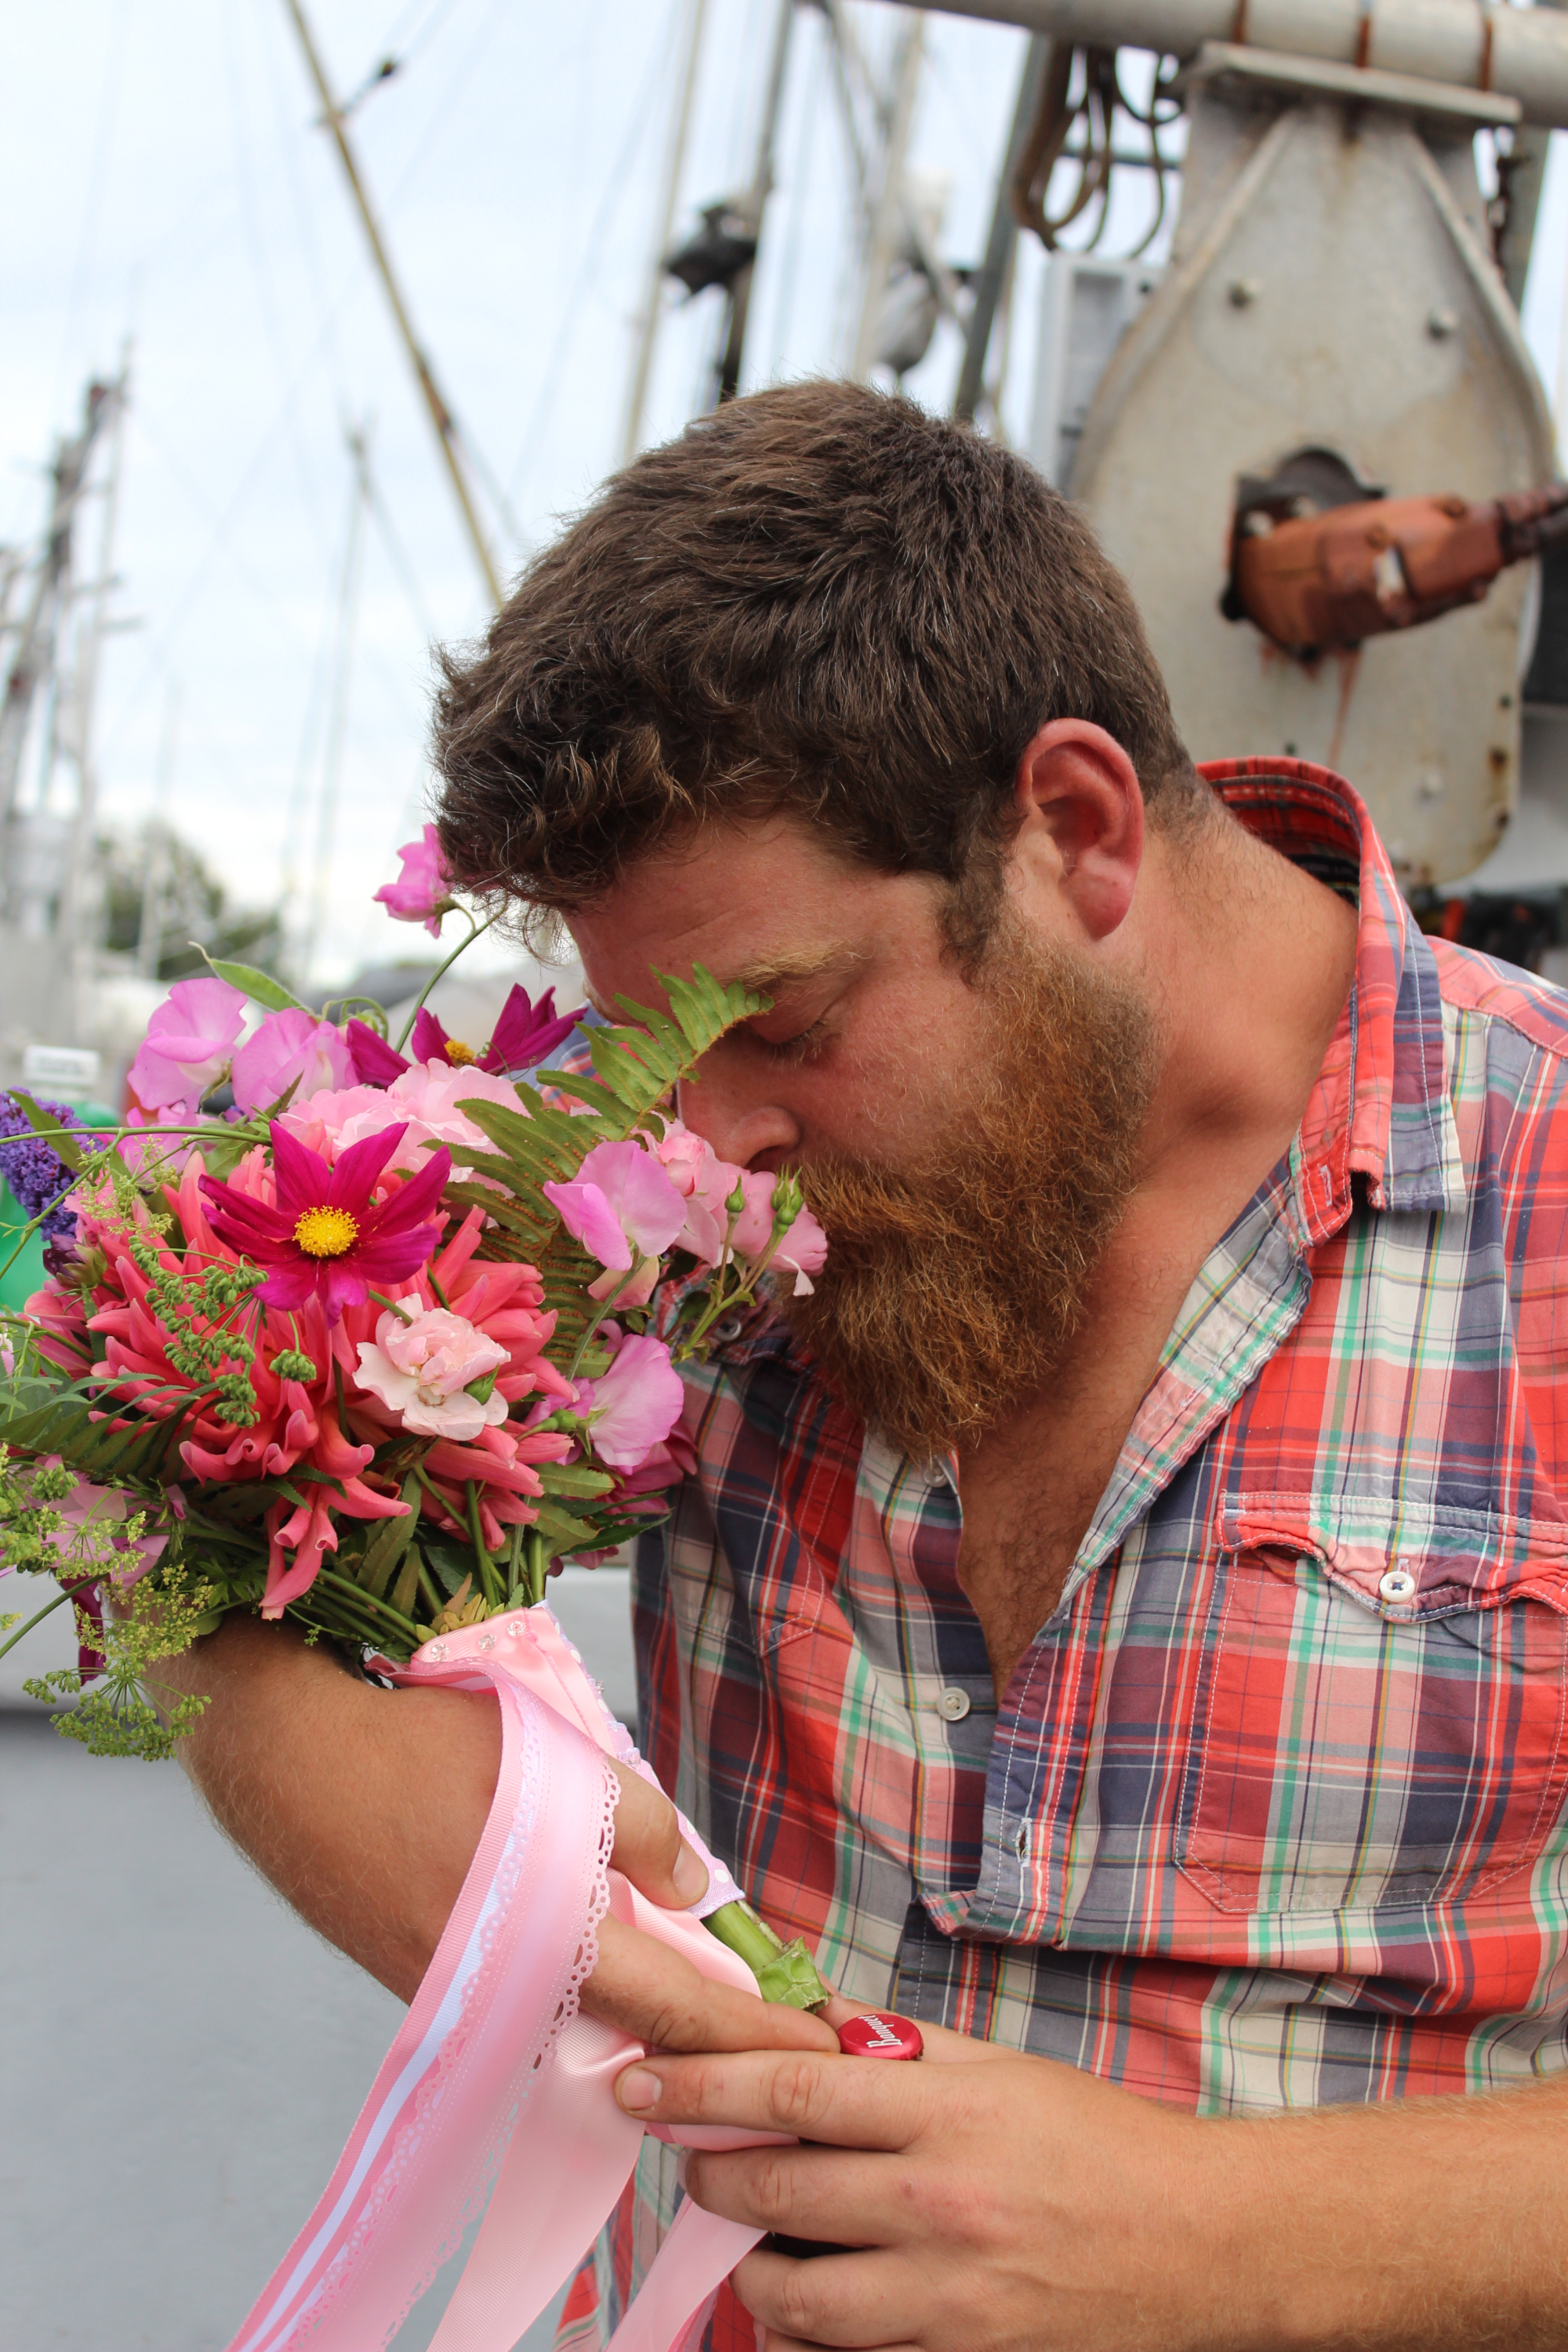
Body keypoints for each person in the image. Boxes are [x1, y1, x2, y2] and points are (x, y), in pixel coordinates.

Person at [163, 382, 1568, 2350]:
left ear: (1072, 833)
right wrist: (305, 1749)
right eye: (651, 1044)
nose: (702, 1142)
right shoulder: (651, 1200)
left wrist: (1216, 2237)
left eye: (787, 1023)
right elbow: (189, 1500)